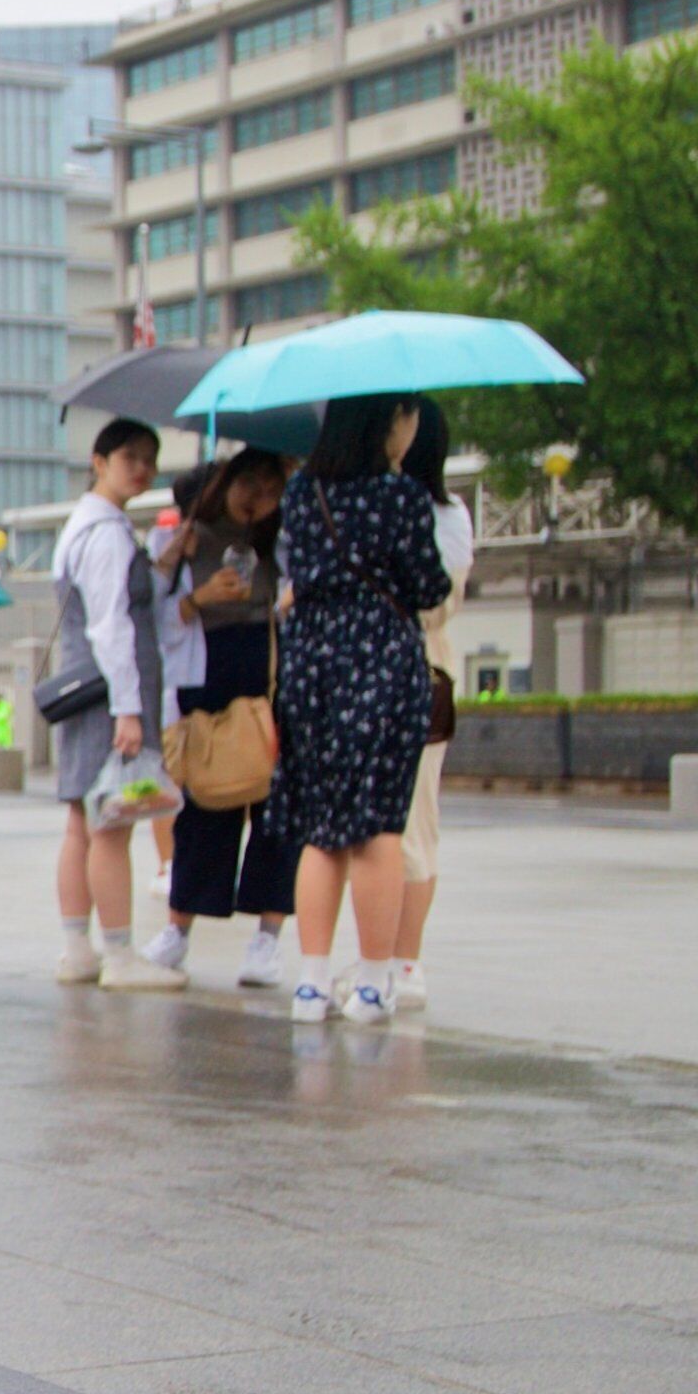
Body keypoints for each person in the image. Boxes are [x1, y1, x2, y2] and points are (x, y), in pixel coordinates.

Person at [274, 393, 450, 1026]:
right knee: (378, 828)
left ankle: (312, 985)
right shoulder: (400, 498)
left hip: (313, 662)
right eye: (408, 419)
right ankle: (373, 985)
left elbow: (298, 572)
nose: (412, 431)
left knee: (321, 831)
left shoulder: (301, 493)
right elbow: (430, 584)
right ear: (387, 422)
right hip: (380, 658)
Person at [140, 450, 298, 987]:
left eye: (271, 490)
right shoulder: (183, 542)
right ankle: (179, 927)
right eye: (248, 484)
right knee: (204, 806)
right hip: (204, 679)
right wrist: (195, 596)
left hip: (268, 681)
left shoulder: (282, 544)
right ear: (226, 482)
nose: (256, 499)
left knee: (274, 813)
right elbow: (151, 620)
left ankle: (266, 939)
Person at [49, 417, 183, 990]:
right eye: (130, 457)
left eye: (150, 458)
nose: (143, 468)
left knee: (82, 820)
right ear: (99, 461)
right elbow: (112, 627)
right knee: (112, 824)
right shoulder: (105, 532)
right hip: (109, 694)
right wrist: (129, 709)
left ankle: (79, 948)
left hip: (84, 690)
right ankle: (121, 954)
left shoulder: (84, 526)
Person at [392, 398, 472, 1012]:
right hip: (387, 671)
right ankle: (379, 957)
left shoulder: (446, 514)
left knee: (415, 825)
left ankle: (406, 961)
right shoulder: (375, 503)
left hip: (423, 673)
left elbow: (439, 602)